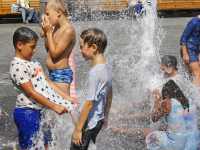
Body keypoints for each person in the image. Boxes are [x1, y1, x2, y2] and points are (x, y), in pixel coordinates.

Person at [10, 27, 77, 150]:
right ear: (19, 45)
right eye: (32, 47)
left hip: (40, 110)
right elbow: (31, 92)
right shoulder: (18, 66)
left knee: (47, 144)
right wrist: (55, 106)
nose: (35, 50)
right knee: (33, 147)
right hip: (27, 112)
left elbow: (49, 83)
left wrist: (67, 97)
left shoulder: (32, 61)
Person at [110, 80, 200, 150]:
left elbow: (154, 118)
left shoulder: (167, 102)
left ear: (167, 94)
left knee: (144, 131)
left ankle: (119, 130)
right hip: (194, 142)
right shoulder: (190, 100)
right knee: (162, 127)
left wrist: (157, 100)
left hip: (177, 145)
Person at [70, 28, 113, 150]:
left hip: (88, 124)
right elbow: (110, 94)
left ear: (93, 47)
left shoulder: (94, 74)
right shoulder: (107, 66)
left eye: (82, 46)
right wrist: (106, 116)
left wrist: (78, 129)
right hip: (98, 120)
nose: (79, 50)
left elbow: (89, 104)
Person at [111, 55, 187, 116]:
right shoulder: (168, 76)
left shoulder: (177, 80)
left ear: (171, 67)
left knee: (148, 110)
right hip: (159, 101)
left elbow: (167, 96)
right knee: (135, 102)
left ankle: (127, 117)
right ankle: (118, 109)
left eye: (164, 69)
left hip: (170, 107)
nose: (163, 72)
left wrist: (154, 97)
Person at [40, 0, 76, 97]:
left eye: (48, 14)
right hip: (53, 72)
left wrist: (48, 32)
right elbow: (48, 49)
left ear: (58, 12)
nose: (46, 17)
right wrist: (45, 27)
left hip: (61, 74)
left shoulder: (68, 30)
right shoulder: (56, 28)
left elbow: (55, 54)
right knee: (55, 107)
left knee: (64, 107)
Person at [180, 15, 200, 87]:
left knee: (189, 73)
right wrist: (185, 54)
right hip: (189, 50)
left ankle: (185, 89)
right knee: (197, 72)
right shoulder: (194, 22)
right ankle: (197, 95)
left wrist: (199, 52)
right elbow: (183, 38)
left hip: (195, 49)